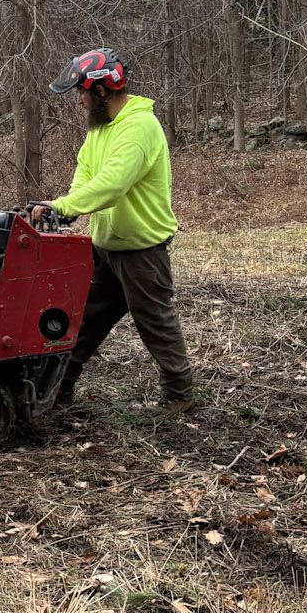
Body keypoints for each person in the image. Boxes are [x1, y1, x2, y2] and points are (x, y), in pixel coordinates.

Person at [33, 48, 195, 412]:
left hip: (141, 249)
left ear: (102, 91)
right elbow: (86, 173)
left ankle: (179, 396)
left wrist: (63, 205)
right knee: (83, 322)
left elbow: (113, 183)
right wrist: (68, 207)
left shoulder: (139, 128)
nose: (78, 100)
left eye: (81, 92)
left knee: (155, 323)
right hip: (105, 246)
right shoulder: (100, 129)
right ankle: (58, 393)